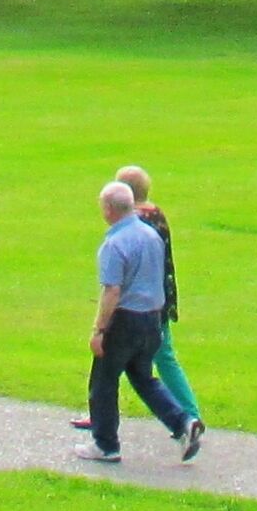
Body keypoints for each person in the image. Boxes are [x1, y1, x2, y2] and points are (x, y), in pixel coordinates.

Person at [83, 179, 177, 463]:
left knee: (103, 380)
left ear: (109, 209)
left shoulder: (115, 243)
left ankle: (106, 444)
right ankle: (183, 423)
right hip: (152, 318)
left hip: (126, 320)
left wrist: (99, 330)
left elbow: (112, 290)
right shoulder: (151, 236)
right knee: (144, 378)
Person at [117, 165, 208, 457]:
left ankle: (188, 415)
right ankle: (189, 415)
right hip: (160, 299)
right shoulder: (156, 214)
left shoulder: (138, 222)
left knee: (129, 358)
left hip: (142, 305)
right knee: (161, 356)